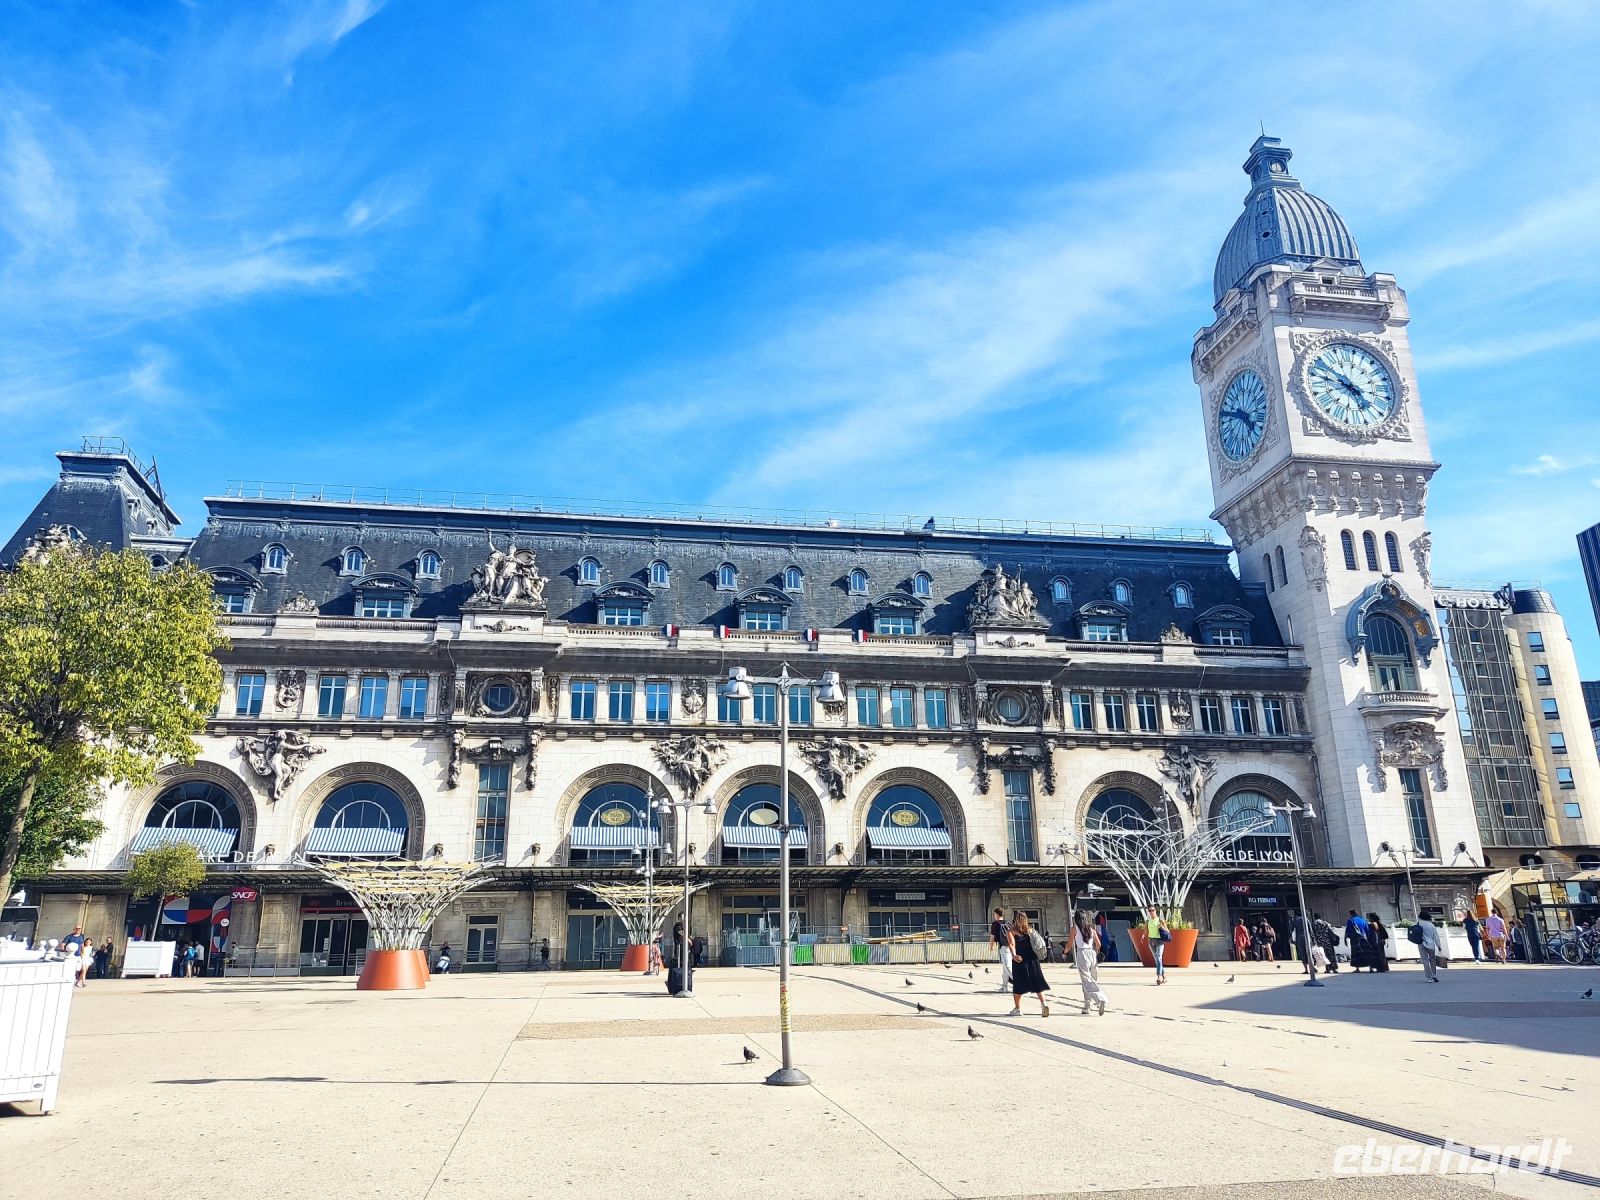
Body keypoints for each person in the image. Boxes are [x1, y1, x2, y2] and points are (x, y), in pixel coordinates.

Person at [1005, 911, 1050, 1017]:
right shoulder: (1031, 930)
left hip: (1020, 960)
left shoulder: (1011, 931)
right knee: (1037, 983)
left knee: (1018, 985)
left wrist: (1014, 955)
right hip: (1033, 960)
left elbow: (1011, 943)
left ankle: (1018, 1008)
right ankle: (1044, 1004)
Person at [1069, 910, 1108, 1015]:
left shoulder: (1074, 929)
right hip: (1092, 953)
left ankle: (1098, 1001)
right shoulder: (1091, 929)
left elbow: (1069, 945)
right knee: (1093, 980)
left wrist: (1064, 952)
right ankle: (1088, 1005)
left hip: (1082, 953)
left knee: (1086, 981)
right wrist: (1095, 952)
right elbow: (1098, 944)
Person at [1143, 908, 1170, 984]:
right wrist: (1143, 936)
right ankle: (1164, 975)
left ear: (1155, 911)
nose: (1151, 912)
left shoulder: (1160, 920)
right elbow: (1145, 930)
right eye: (1150, 911)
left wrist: (1161, 927)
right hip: (1151, 941)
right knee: (1157, 960)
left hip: (1160, 941)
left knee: (1158, 958)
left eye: (1153, 910)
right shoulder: (1148, 921)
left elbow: (1168, 931)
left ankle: (1159, 976)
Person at [989, 907, 1013, 992]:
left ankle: (1019, 983)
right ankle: (1004, 987)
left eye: (994, 914)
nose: (994, 916)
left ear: (996, 914)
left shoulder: (995, 924)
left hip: (1004, 947)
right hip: (1012, 947)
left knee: (1008, 966)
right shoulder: (1008, 923)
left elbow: (992, 937)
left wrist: (991, 946)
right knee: (1005, 968)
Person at [1415, 913, 1442, 982]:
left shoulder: (1417, 924)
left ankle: (1429, 977)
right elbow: (1436, 936)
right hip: (1430, 944)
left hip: (1421, 944)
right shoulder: (1431, 925)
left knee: (1425, 960)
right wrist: (1439, 945)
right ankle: (1434, 975)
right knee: (1432, 959)